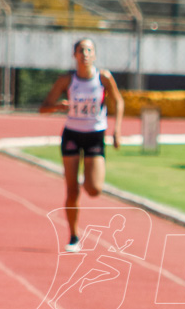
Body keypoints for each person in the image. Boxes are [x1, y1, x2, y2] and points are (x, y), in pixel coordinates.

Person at [39, 38, 124, 252]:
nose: (85, 54)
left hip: (95, 135)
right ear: (74, 55)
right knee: (71, 189)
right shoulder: (67, 80)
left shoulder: (103, 78)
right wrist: (59, 106)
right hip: (72, 134)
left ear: (94, 55)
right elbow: (44, 107)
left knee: (94, 189)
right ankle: (74, 236)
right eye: (80, 50)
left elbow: (119, 100)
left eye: (89, 50)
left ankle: (88, 175)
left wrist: (117, 130)